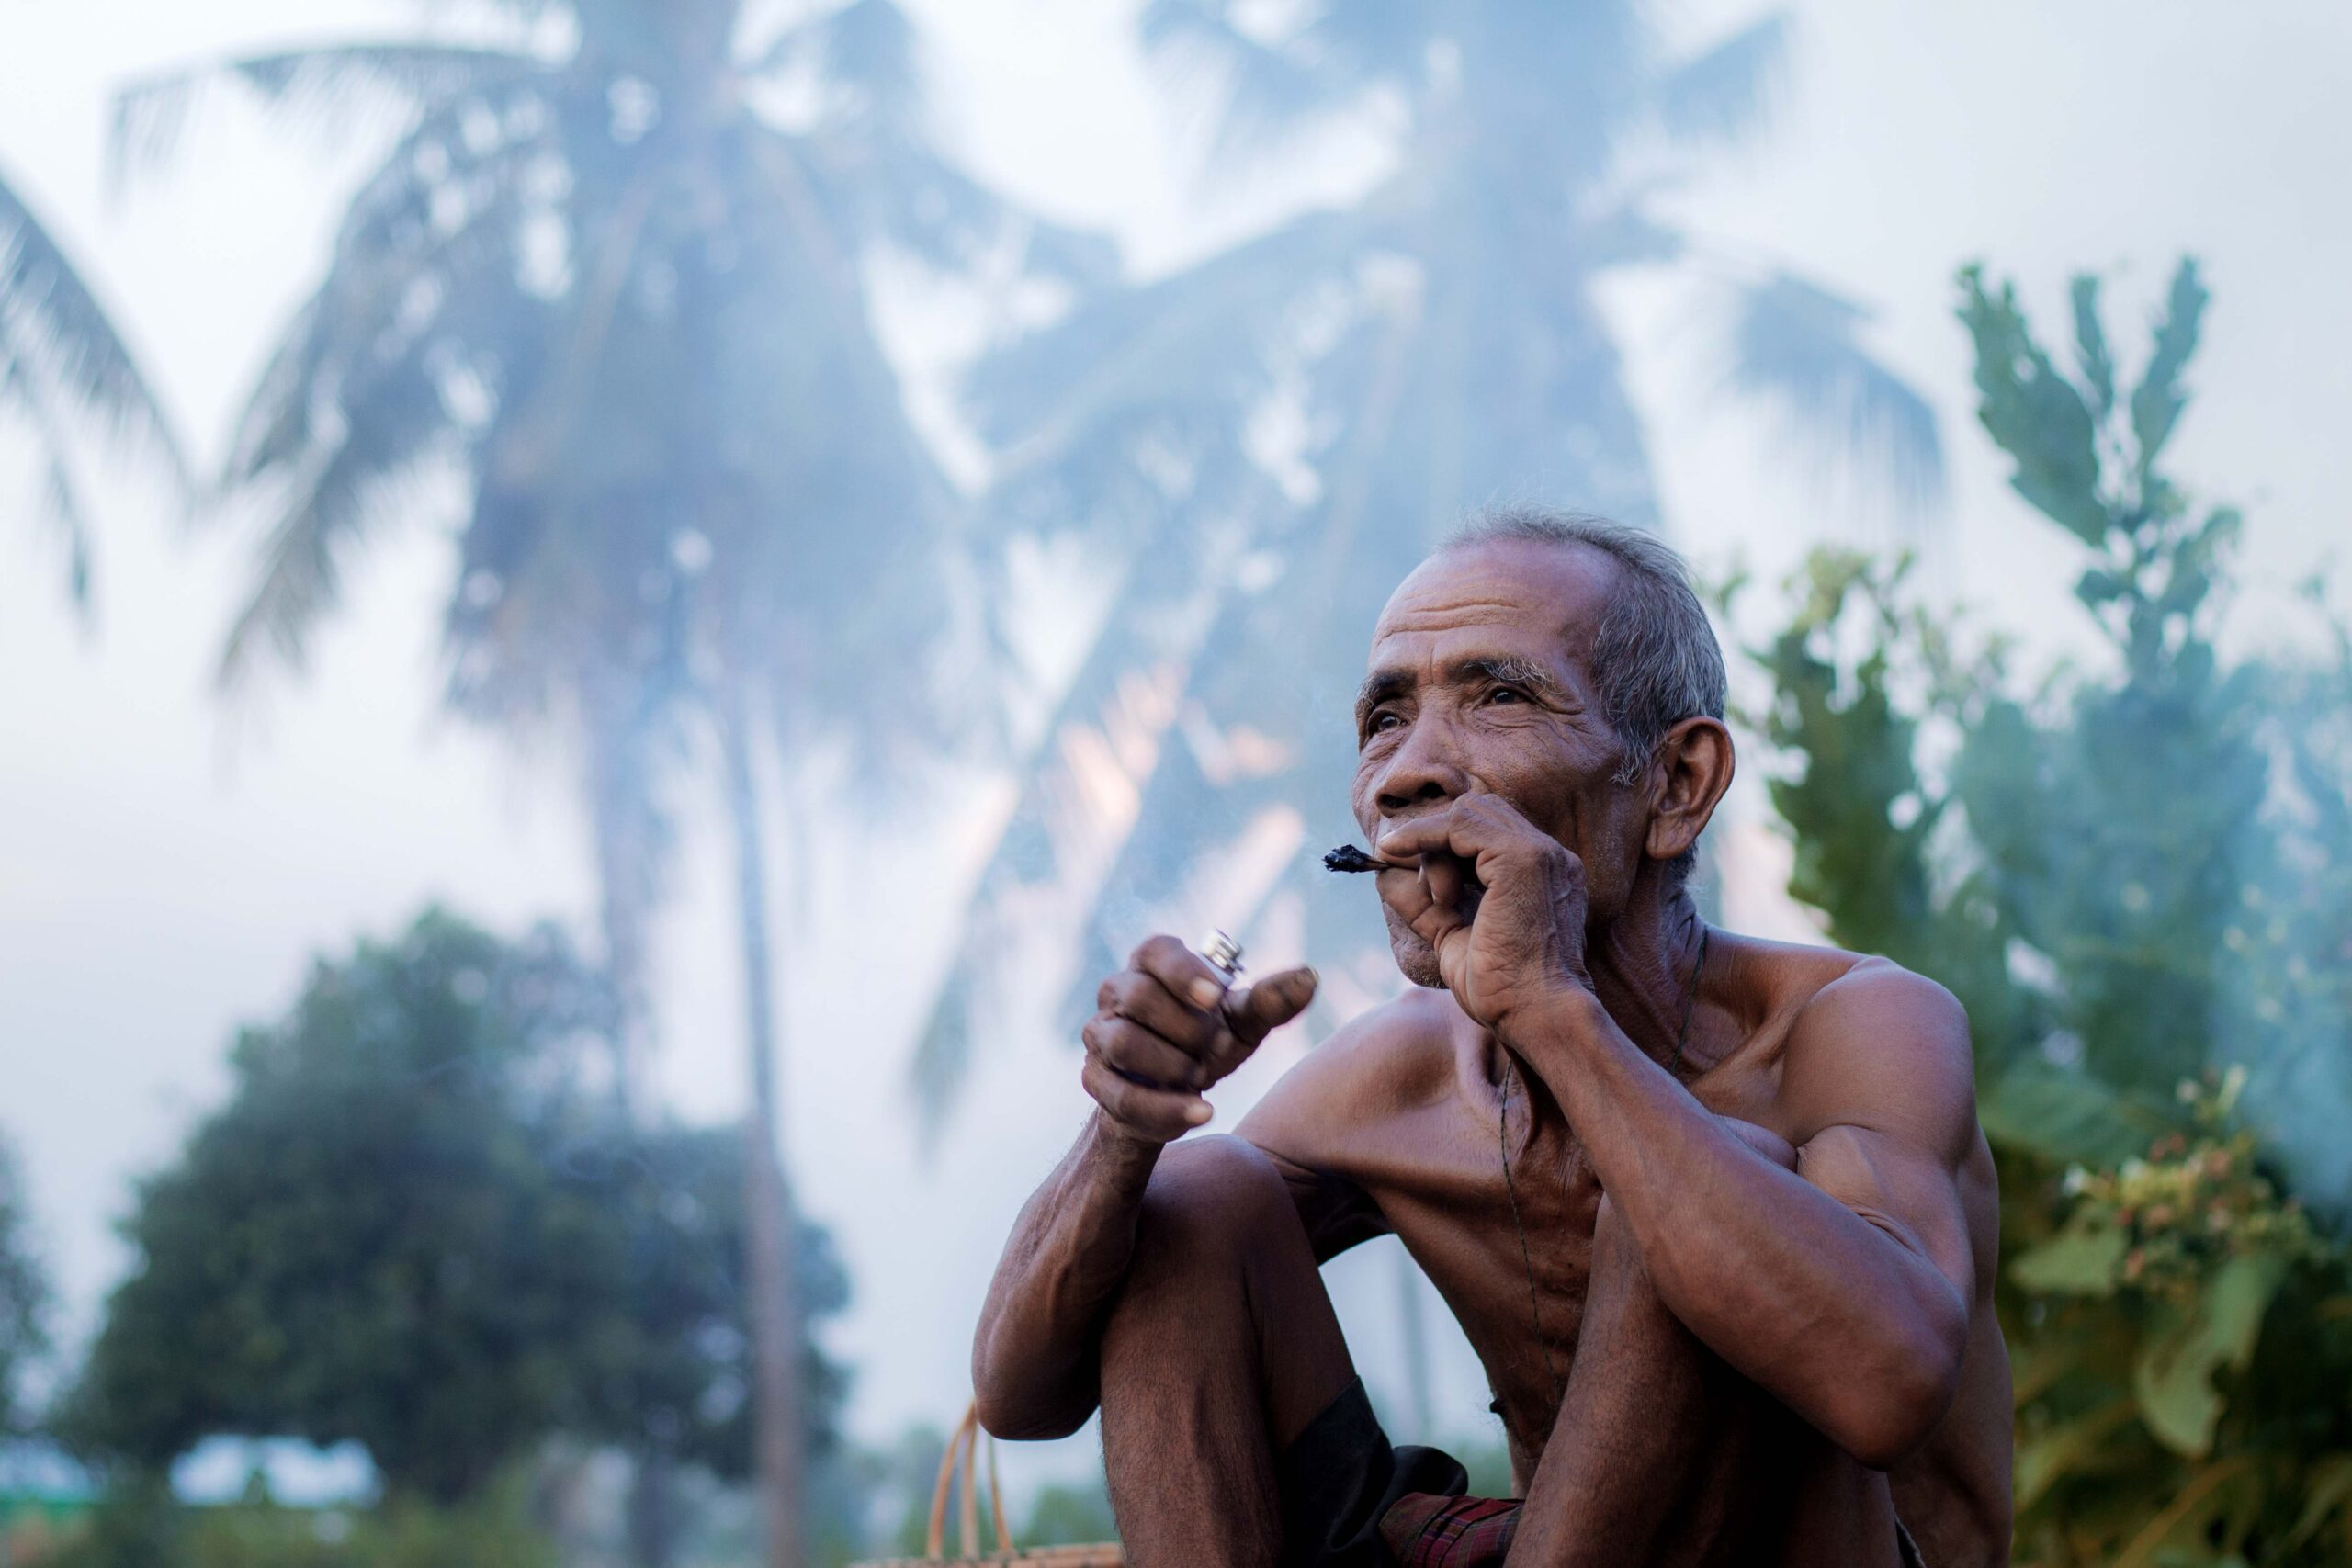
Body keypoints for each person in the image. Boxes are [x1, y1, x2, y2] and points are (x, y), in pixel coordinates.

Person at [971, 508, 2012, 1567]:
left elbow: (1885, 1390)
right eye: (1385, 718)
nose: (1405, 774)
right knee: (1191, 1195)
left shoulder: (1857, 1027)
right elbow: (1019, 1395)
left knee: (1700, 1185)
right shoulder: (1399, 1081)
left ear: (1675, 786)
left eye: (1501, 696)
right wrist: (1125, 1130)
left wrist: (1553, 1011)